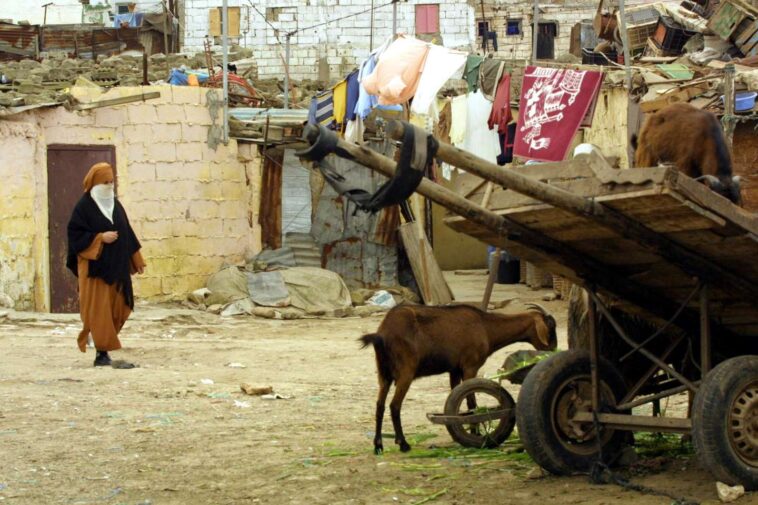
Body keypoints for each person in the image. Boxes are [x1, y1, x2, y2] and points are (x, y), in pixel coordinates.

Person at [66, 162, 146, 367]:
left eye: (112, 182)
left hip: (117, 269)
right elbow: (75, 236)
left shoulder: (115, 205)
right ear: (95, 183)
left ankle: (104, 344)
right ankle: (102, 353)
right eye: (105, 182)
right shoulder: (83, 207)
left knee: (120, 308)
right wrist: (100, 238)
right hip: (95, 271)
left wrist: (136, 259)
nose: (110, 186)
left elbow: (127, 232)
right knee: (99, 312)